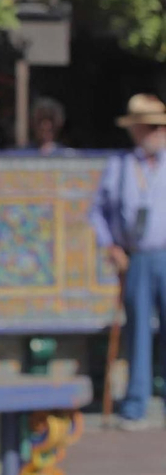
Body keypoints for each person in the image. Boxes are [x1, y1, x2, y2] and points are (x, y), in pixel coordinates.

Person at [90, 93, 166, 429]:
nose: (154, 134)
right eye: (148, 127)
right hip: (136, 258)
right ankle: (136, 401)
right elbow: (98, 211)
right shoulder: (120, 166)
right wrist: (112, 247)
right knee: (137, 331)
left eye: (158, 127)